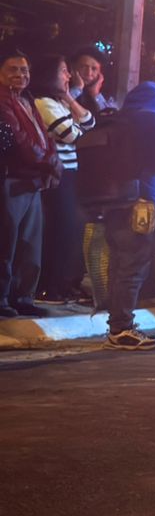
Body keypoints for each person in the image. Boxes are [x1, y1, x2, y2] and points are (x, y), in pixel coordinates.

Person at [103, 81, 155, 350]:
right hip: (142, 205)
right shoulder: (153, 117)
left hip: (111, 201)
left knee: (119, 263)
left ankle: (117, 326)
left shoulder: (116, 119)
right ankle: (121, 329)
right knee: (134, 266)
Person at [30, 54, 95, 304]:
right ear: (50, 76)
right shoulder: (43, 103)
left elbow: (89, 123)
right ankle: (49, 286)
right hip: (58, 177)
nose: (69, 76)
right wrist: (72, 111)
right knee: (60, 229)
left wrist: (69, 97)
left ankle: (62, 283)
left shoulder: (59, 102)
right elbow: (74, 135)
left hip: (70, 174)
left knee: (70, 229)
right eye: (64, 71)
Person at [0, 54, 60, 318]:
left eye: (24, 69)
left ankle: (23, 297)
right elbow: (18, 141)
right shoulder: (2, 101)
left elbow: (46, 137)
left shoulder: (26, 100)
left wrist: (53, 160)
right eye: (13, 69)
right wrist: (49, 162)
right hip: (12, 179)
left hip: (32, 180)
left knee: (29, 243)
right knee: (6, 242)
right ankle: (2, 299)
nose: (20, 74)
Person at [69, 49, 115, 114]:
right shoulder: (63, 89)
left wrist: (95, 94)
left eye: (94, 69)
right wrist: (77, 89)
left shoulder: (107, 96)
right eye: (84, 67)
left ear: (100, 73)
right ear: (73, 68)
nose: (88, 73)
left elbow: (111, 118)